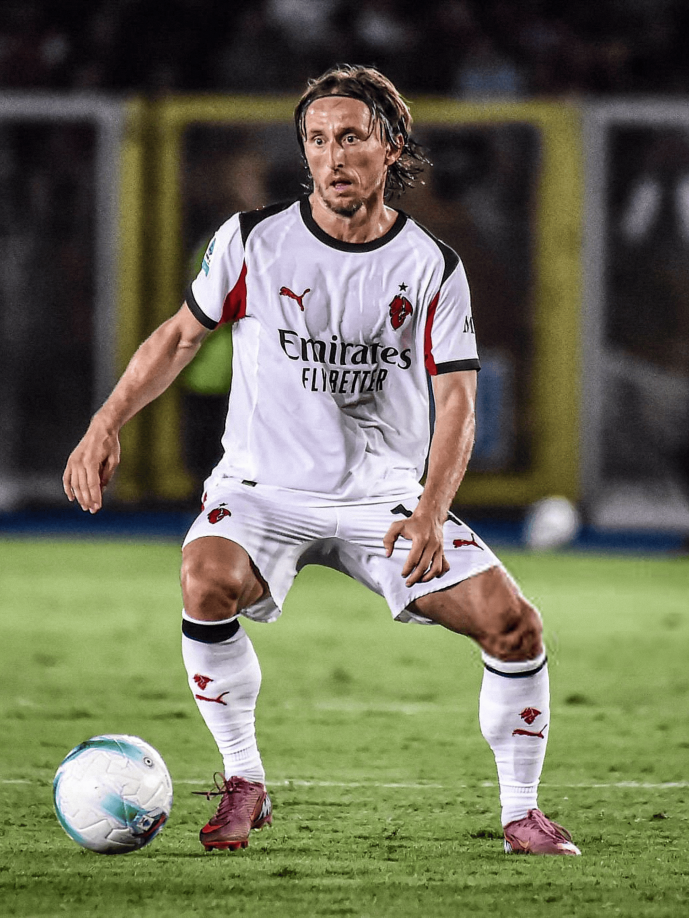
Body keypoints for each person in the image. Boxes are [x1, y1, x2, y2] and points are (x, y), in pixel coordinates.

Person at [63, 64, 580, 857]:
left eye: (350, 138)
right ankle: (245, 780)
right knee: (205, 578)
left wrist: (431, 512)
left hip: (385, 500)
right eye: (316, 140)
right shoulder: (252, 241)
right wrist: (106, 422)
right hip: (263, 489)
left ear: (390, 147)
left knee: (514, 627)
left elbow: (457, 402)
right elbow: (180, 337)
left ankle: (521, 815)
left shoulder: (431, 266)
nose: (332, 157)